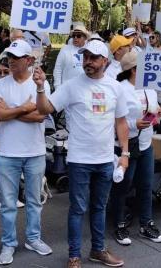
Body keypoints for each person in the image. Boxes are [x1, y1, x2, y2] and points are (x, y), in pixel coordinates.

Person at [34, 40, 129, 268]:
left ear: (105, 61)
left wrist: (124, 153)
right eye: (85, 57)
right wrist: (39, 87)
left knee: (99, 207)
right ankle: (74, 255)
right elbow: (45, 109)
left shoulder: (115, 87)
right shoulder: (71, 85)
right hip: (79, 160)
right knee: (77, 209)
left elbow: (121, 122)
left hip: (106, 160)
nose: (88, 61)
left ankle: (98, 250)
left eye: (94, 58)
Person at [0, 40, 53, 265]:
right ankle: (9, 243)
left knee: (34, 200)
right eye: (9, 57)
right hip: (7, 152)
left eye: (16, 57)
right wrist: (25, 108)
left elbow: (42, 115)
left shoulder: (39, 85)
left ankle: (33, 238)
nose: (11, 61)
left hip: (34, 151)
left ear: (29, 60)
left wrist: (10, 110)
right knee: (7, 203)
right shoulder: (0, 84)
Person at [111, 50, 161, 245]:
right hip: (127, 145)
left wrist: (157, 113)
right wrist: (135, 124)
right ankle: (118, 225)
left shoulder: (149, 88)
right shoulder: (120, 89)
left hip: (146, 144)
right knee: (122, 187)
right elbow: (116, 119)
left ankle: (146, 224)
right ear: (134, 69)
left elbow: (151, 111)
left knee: (146, 185)